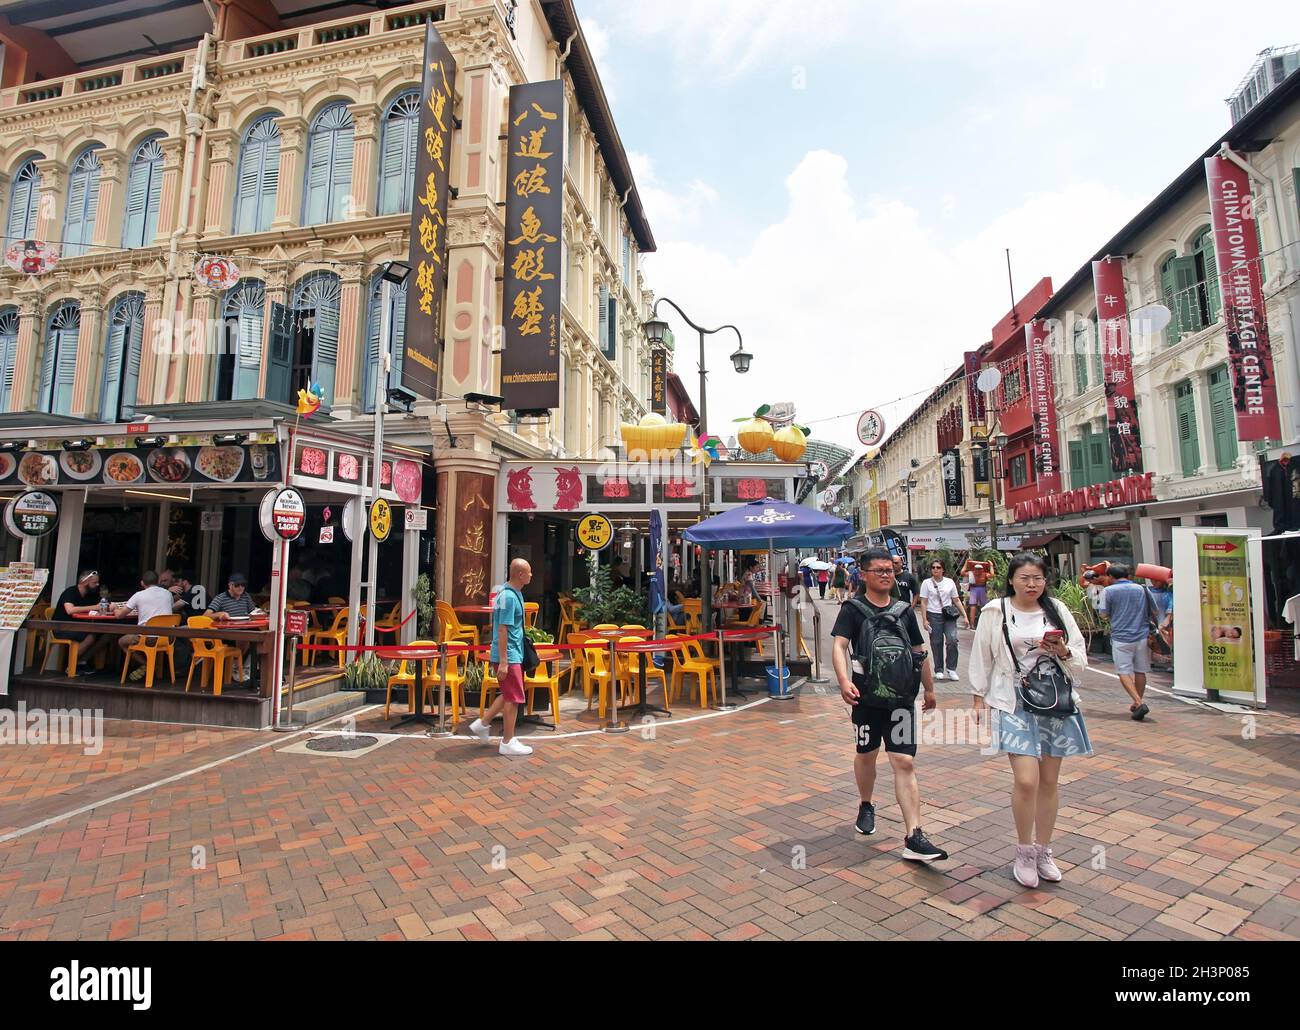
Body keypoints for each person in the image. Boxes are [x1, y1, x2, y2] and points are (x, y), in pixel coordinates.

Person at [968, 551, 1092, 888]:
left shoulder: (1057, 611)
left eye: (1038, 578)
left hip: (1055, 702)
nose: (1032, 584)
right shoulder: (996, 611)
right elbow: (983, 655)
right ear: (1011, 580)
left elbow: (1080, 659)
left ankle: (1044, 851)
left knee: (1050, 781)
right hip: (1015, 703)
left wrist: (1062, 650)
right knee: (1027, 780)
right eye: (1025, 578)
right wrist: (978, 697)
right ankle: (1023, 851)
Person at [832, 548, 946, 862]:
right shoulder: (852, 609)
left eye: (889, 570)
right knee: (866, 754)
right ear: (864, 574)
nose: (886, 575)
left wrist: (930, 688)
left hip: (901, 698)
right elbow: (839, 645)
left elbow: (918, 650)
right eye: (879, 570)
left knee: (904, 761)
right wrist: (844, 681)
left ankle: (914, 835)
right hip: (865, 698)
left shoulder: (904, 610)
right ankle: (866, 804)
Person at [469, 558, 533, 756]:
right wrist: (504, 662)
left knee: (509, 693)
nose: (531, 575)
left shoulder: (513, 594)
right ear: (520, 574)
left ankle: (483, 723)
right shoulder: (510, 597)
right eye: (529, 572)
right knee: (513, 698)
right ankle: (507, 741)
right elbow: (502, 630)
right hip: (509, 654)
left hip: (513, 653)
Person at [1098, 563, 1153, 720]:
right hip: (1142, 635)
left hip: (1121, 636)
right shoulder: (1141, 588)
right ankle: (1137, 704)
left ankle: (1138, 701)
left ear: (1110, 576)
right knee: (1140, 671)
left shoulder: (1108, 591)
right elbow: (1153, 610)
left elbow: (1103, 614)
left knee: (1123, 671)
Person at [113, 571, 177, 682]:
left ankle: (148, 664)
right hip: (168, 638)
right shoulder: (168, 594)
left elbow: (119, 615)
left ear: (142, 583)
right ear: (157, 582)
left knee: (121, 642)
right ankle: (152, 666)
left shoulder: (138, 595)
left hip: (148, 639)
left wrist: (114, 608)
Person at [919, 559, 969, 681]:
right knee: (936, 643)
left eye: (938, 567)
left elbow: (956, 599)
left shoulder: (949, 582)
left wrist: (965, 616)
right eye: (933, 567)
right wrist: (924, 619)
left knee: (952, 640)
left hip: (948, 615)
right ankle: (939, 669)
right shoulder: (926, 583)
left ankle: (951, 668)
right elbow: (924, 602)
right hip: (933, 615)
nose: (935, 569)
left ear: (943, 569)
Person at [54, 569, 112, 672]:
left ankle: (81, 661)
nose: (97, 585)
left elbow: (101, 606)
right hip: (63, 627)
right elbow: (70, 610)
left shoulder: (91, 594)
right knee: (90, 636)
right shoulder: (70, 592)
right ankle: (70, 665)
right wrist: (95, 607)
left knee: (106, 635)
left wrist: (111, 606)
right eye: (94, 582)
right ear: (84, 581)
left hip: (81, 626)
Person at [206, 573, 256, 682]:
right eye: (237, 585)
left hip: (244, 629)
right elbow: (206, 615)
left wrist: (259, 612)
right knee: (245, 638)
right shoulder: (221, 598)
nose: (241, 588)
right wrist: (219, 614)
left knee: (257, 639)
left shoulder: (246, 596)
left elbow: (253, 611)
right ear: (230, 585)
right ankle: (237, 668)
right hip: (227, 633)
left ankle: (244, 669)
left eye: (243, 585)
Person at [961, 559, 994, 625]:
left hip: (982, 589)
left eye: (979, 569)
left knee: (984, 607)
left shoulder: (984, 574)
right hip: (974, 589)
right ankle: (972, 624)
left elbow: (992, 575)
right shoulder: (972, 573)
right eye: (977, 569)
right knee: (973, 606)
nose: (978, 570)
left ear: (982, 569)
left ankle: (984, 623)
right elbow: (962, 573)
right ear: (974, 569)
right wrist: (965, 563)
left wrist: (991, 565)